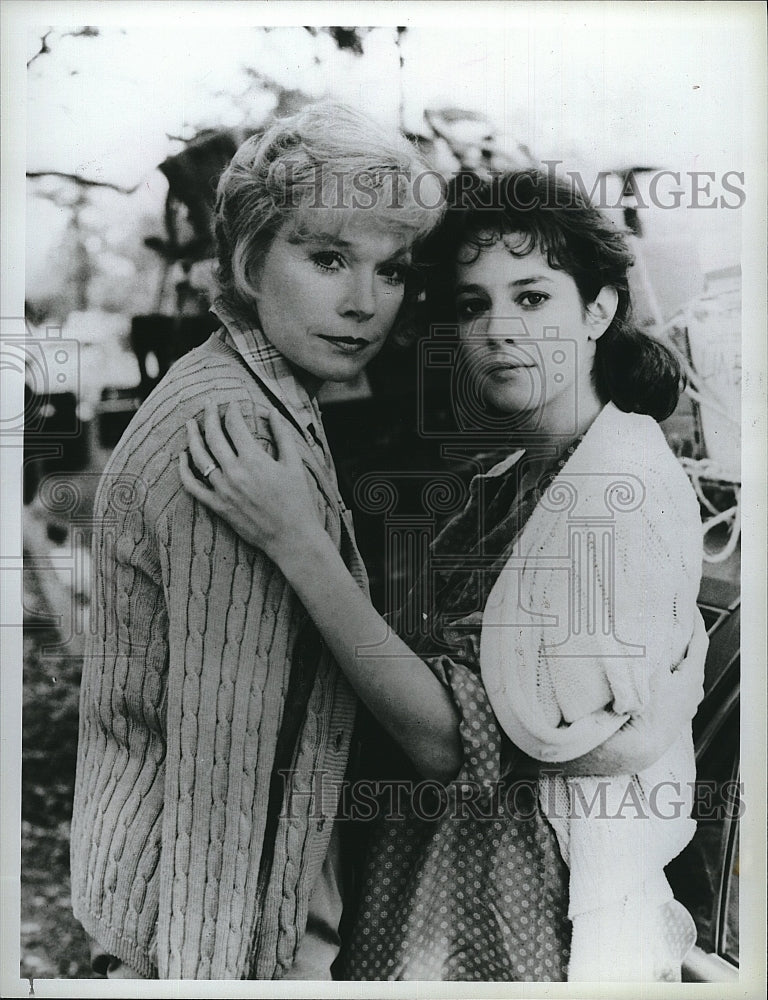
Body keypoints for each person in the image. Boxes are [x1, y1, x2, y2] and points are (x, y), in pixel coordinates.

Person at [179, 170, 708, 982]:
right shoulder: (509, 476)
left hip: (511, 908)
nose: (499, 329)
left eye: (532, 298)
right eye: (471, 305)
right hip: (438, 870)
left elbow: (445, 741)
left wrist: (297, 543)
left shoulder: (610, 492)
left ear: (598, 310)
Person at [69, 101, 444, 980]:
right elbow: (221, 775)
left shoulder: (263, 391)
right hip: (215, 944)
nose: (364, 304)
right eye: (327, 259)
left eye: (390, 270)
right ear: (247, 258)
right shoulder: (236, 431)